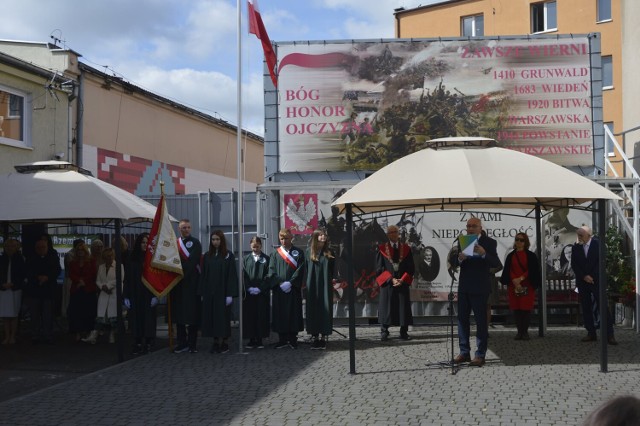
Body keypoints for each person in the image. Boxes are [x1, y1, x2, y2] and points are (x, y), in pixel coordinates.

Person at [450, 217, 502, 367]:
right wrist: (460, 259)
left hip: (480, 288)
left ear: (480, 228)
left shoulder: (489, 242)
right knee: (462, 320)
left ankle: (480, 354)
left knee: (481, 322)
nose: (470, 229)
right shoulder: (462, 241)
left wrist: (484, 253)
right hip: (464, 287)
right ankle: (464, 352)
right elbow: (454, 263)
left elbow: (496, 264)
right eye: (468, 226)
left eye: (474, 226)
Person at [571, 225, 617, 345]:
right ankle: (591, 332)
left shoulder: (598, 245)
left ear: (588, 235)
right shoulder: (576, 247)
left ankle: (609, 334)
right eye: (578, 235)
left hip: (596, 281)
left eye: (581, 235)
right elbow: (574, 264)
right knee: (586, 307)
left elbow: (601, 263)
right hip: (583, 281)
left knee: (603, 306)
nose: (579, 237)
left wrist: (591, 276)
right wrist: (584, 276)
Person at [199, 230, 238, 354]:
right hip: (210, 293)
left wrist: (230, 294)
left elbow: (232, 275)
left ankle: (225, 342)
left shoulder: (228, 255)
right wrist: (202, 292)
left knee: (223, 317)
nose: (215, 242)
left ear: (222, 241)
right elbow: (203, 275)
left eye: (217, 239)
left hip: (223, 293)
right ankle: (215, 341)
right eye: (213, 239)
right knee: (212, 317)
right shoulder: (207, 256)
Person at [376, 224, 414, 341]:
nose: (393, 234)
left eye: (395, 232)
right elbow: (379, 268)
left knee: (403, 308)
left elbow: (411, 268)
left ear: (398, 234)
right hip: (388, 283)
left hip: (402, 282)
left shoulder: (406, 249)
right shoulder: (382, 249)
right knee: (386, 307)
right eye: (390, 232)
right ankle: (384, 331)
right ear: (387, 235)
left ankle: (403, 332)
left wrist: (402, 279)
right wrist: (391, 279)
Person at [500, 232, 541, 341]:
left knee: (525, 309)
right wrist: (515, 281)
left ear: (525, 242)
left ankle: (525, 332)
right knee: (517, 309)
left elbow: (532, 270)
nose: (519, 242)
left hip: (527, 285)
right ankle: (519, 332)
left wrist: (521, 279)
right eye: (517, 239)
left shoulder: (531, 255)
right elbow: (508, 270)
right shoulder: (511, 255)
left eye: (521, 240)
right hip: (513, 286)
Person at [269, 228, 305, 349]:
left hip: (293, 289)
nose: (284, 241)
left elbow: (301, 269)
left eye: (286, 238)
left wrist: (290, 283)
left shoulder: (299, 252)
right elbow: (271, 270)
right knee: (280, 313)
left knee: (293, 313)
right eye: (282, 239)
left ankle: (293, 338)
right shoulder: (275, 253)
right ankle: (282, 339)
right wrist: (280, 283)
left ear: (291, 238)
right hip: (279, 290)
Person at [124, 233, 158, 355]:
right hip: (135, 292)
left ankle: (148, 342)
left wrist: (156, 295)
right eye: (143, 242)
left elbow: (157, 279)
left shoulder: (153, 259)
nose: (145, 245)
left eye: (147, 242)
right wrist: (126, 296)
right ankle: (137, 342)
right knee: (136, 318)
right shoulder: (132, 258)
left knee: (148, 318)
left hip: (148, 293)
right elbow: (127, 278)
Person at [172, 219, 202, 354]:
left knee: (192, 315)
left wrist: (180, 271)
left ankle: (192, 344)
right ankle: (181, 343)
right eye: (184, 227)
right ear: (179, 229)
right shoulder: (174, 243)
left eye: (188, 227)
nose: (186, 230)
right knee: (179, 316)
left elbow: (193, 261)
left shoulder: (195, 243)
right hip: (178, 284)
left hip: (191, 284)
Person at [82, 248, 123, 344]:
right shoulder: (101, 267)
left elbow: (120, 279)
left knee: (113, 316)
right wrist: (102, 287)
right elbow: (97, 280)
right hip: (104, 293)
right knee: (100, 316)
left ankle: (112, 335)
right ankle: (94, 335)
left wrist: (108, 286)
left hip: (114, 293)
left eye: (111, 255)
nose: (109, 258)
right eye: (107, 256)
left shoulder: (119, 266)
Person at [25, 239, 61, 344]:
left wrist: (47, 277)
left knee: (47, 314)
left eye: (43, 247)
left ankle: (47, 335)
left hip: (48, 291)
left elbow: (57, 270)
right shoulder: (31, 258)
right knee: (34, 314)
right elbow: (28, 271)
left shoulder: (53, 257)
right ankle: (35, 335)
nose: (41, 249)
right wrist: (38, 277)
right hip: (34, 290)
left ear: (47, 247)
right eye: (38, 248)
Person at [305, 229, 336, 349]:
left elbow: (332, 270)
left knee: (325, 308)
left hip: (325, 285)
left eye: (325, 235)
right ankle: (315, 337)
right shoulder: (309, 252)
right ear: (316, 237)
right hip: (312, 285)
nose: (323, 236)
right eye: (321, 235)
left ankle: (323, 337)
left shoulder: (330, 252)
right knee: (313, 308)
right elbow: (307, 270)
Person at [242, 236, 270, 349]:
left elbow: (268, 275)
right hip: (249, 294)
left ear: (261, 246)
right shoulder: (246, 259)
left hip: (261, 294)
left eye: (257, 246)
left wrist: (261, 288)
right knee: (250, 315)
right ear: (250, 246)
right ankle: (251, 338)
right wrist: (248, 288)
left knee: (261, 315)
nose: (255, 248)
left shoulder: (266, 258)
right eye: (253, 246)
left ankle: (260, 339)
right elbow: (243, 275)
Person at [67, 242, 98, 342]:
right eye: (78, 250)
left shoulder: (91, 261)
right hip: (76, 290)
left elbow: (93, 274)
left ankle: (88, 332)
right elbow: (71, 274)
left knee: (88, 312)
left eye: (82, 250)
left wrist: (84, 281)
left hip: (88, 290)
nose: (80, 252)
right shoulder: (72, 262)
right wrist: (79, 281)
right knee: (75, 312)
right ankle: (77, 332)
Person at [0, 238, 26, 345]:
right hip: (3, 289)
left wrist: (13, 284)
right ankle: (6, 336)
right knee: (5, 314)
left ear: (17, 247)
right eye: (7, 246)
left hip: (15, 289)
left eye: (12, 246)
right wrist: (2, 284)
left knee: (14, 314)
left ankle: (12, 336)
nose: (10, 248)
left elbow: (23, 275)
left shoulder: (21, 259)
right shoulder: (1, 259)